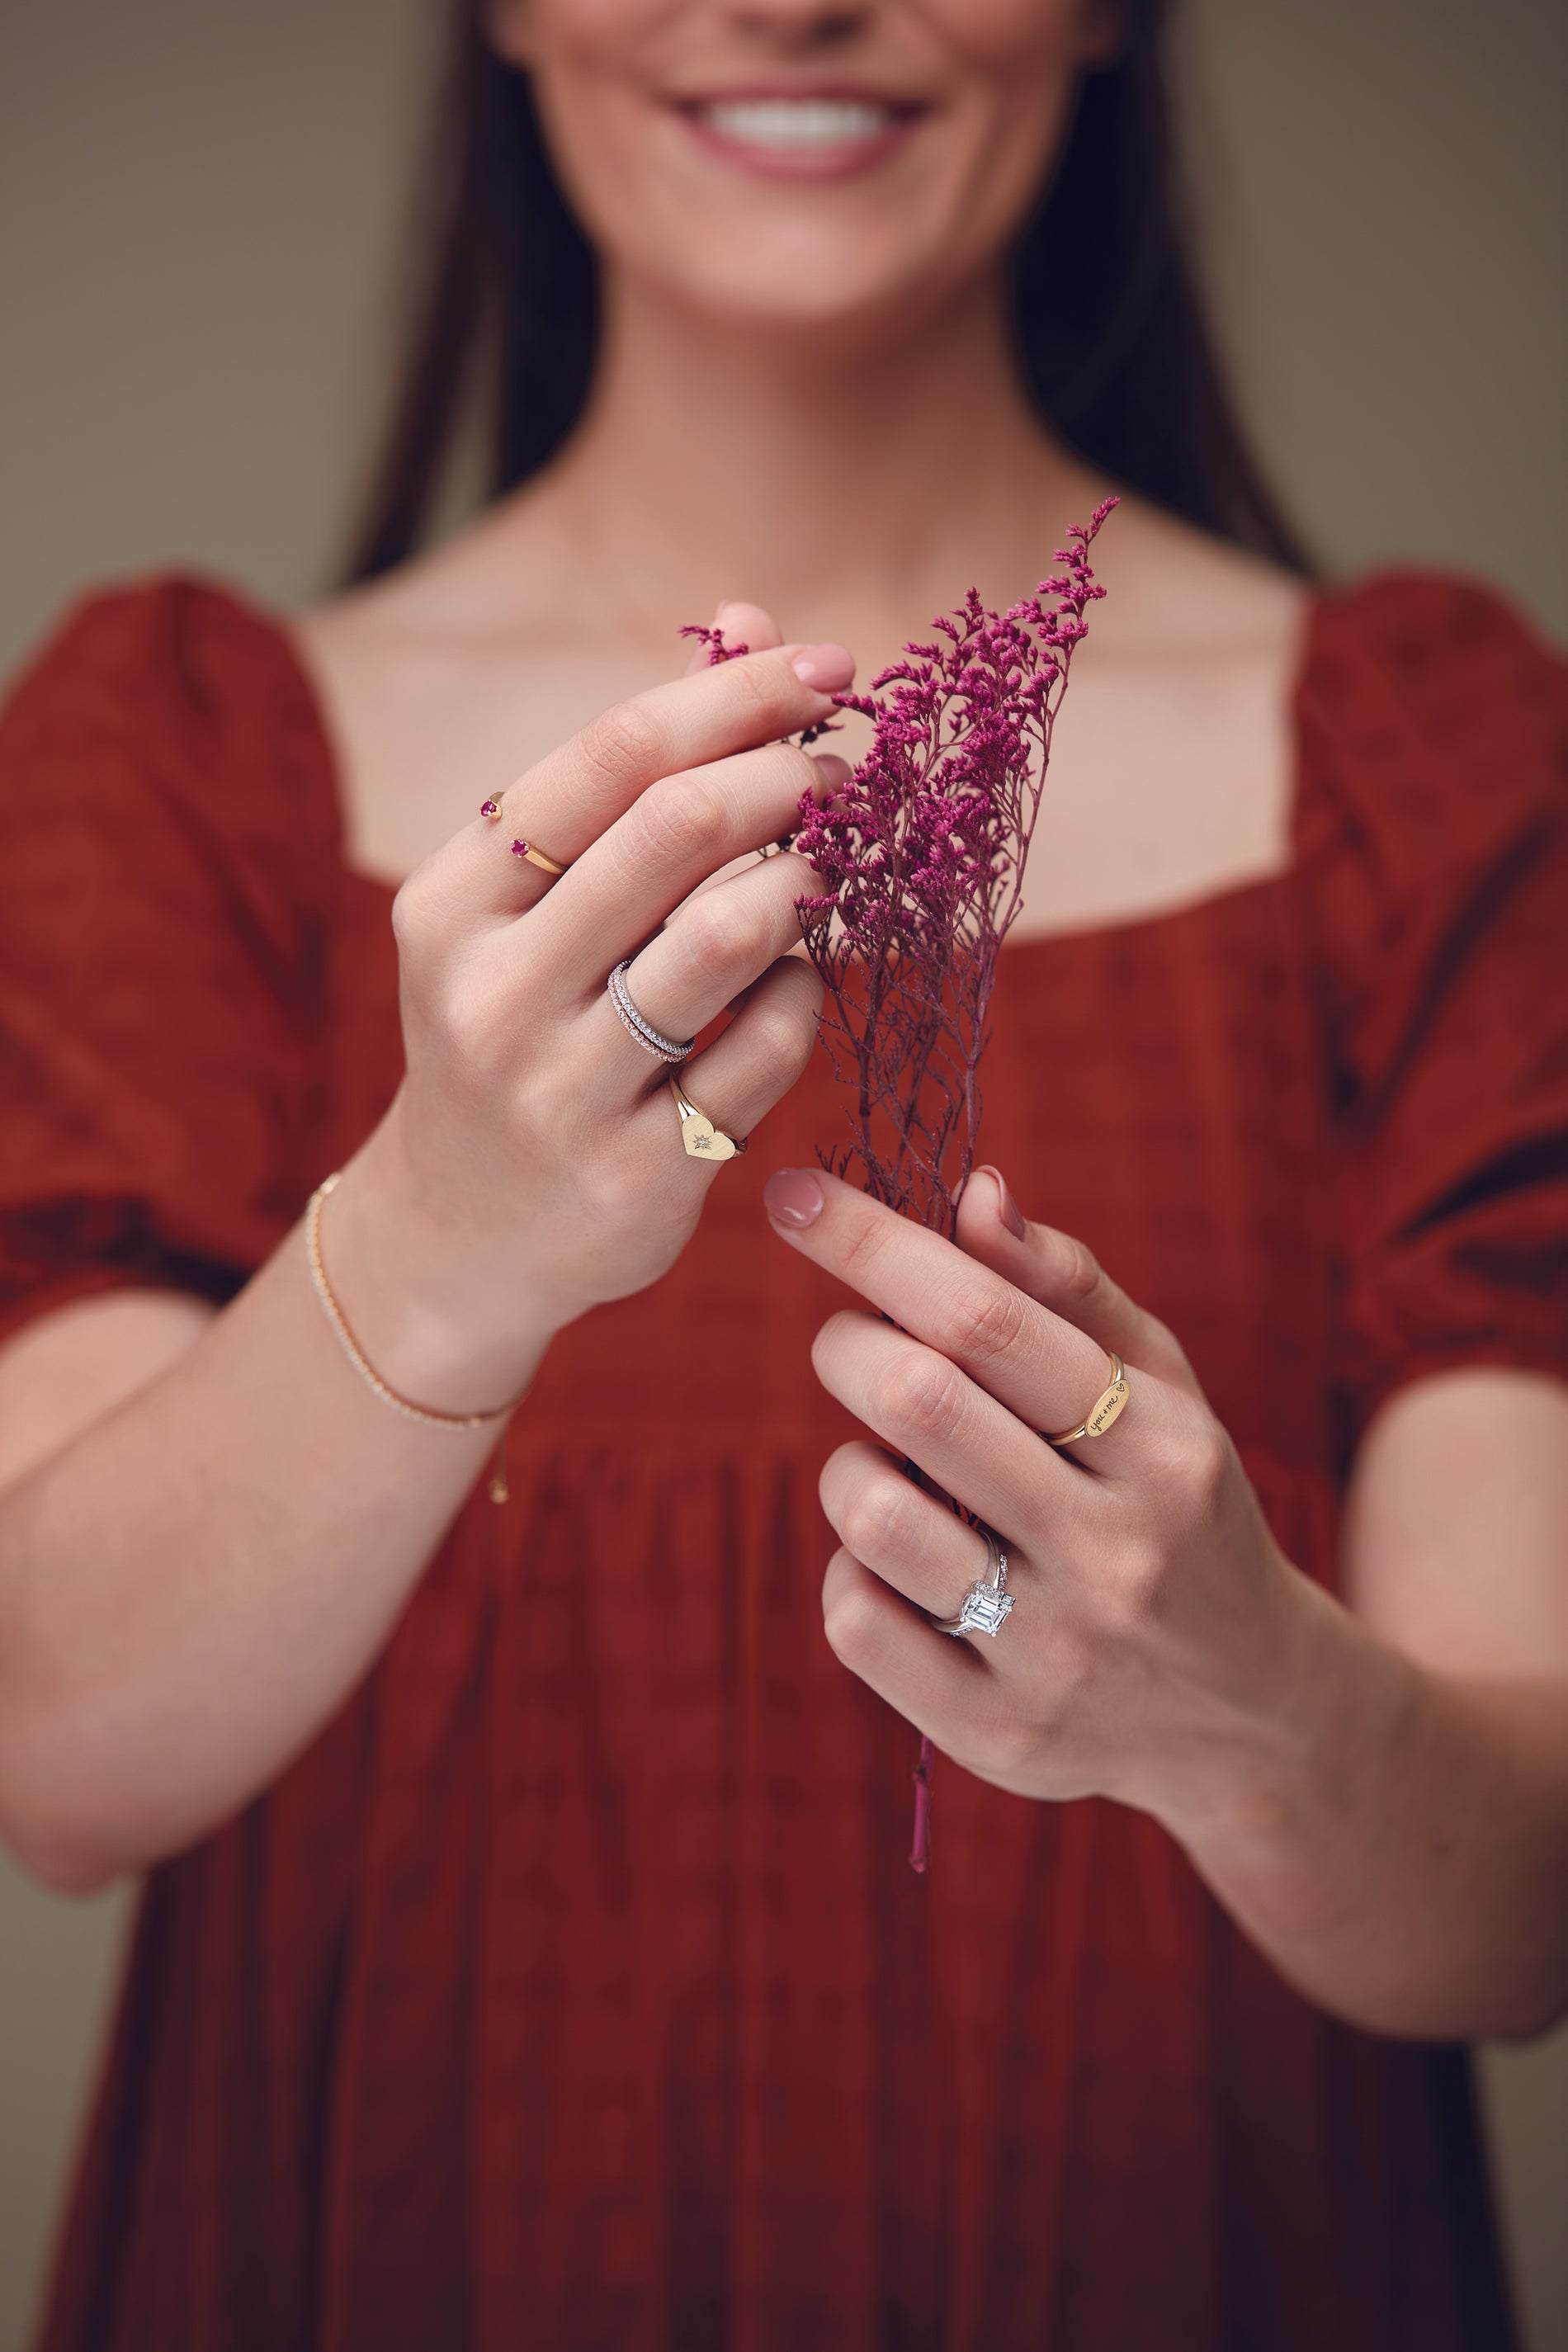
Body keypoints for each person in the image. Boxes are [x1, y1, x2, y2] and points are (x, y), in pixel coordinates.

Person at [1, 1, 1565, 2345]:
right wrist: (435, 1246)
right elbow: (54, 1752)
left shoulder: (1426, 768)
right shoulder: (180, 761)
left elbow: (1526, 1902)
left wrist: (1256, 1704)